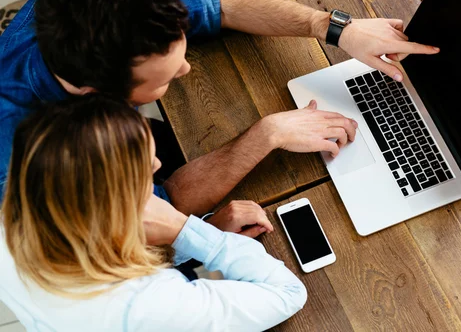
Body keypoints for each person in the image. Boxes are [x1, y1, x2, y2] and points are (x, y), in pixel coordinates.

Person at [0, 0, 439, 218]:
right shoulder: (32, 164)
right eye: (167, 78)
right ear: (96, 93)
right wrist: (266, 135)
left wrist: (334, 28)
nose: (187, 69)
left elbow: (218, 5)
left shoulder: (86, 11)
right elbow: (161, 206)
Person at [0, 94, 306, 331]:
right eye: (146, 171)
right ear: (114, 203)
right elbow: (287, 293)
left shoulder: (14, 223)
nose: (158, 166)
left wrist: (204, 230)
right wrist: (187, 230)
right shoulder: (146, 305)